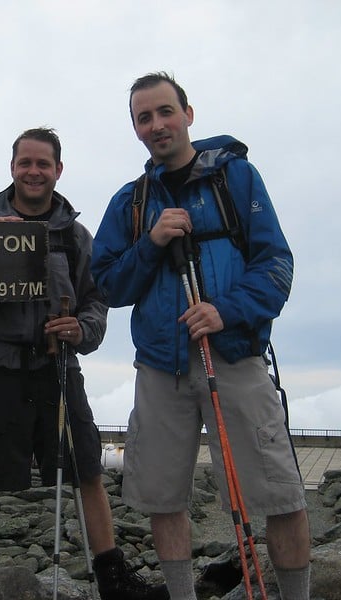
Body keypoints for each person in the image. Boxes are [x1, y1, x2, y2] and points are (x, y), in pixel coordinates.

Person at [91, 72, 311, 600]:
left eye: (165, 112)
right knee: (165, 498)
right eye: (144, 118)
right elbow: (106, 283)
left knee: (282, 495)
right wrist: (150, 243)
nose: (156, 124)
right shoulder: (132, 201)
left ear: (188, 114)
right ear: (135, 129)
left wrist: (225, 311)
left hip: (234, 354)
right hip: (160, 368)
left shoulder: (236, 179)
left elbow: (277, 263)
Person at [0, 127, 169, 600]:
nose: (33, 171)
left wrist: (82, 331)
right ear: (12, 167)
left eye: (42, 164)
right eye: (25, 163)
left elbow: (97, 298)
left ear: (57, 170)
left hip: (60, 369)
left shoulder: (75, 237)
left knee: (87, 471)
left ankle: (113, 580)